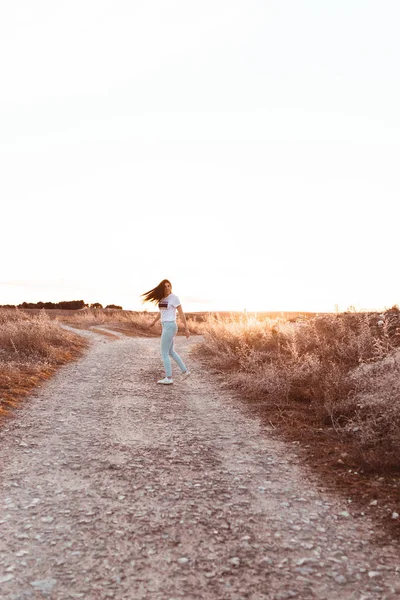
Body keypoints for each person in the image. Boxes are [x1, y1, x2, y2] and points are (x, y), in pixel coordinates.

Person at [141, 279, 191, 385]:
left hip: (170, 326)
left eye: (169, 286)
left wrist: (186, 328)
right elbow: (161, 312)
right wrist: (153, 322)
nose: (168, 288)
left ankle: (169, 378)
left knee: (164, 353)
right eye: (165, 286)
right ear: (162, 288)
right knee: (170, 351)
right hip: (166, 326)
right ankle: (185, 371)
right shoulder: (162, 299)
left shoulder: (174, 298)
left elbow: (181, 314)